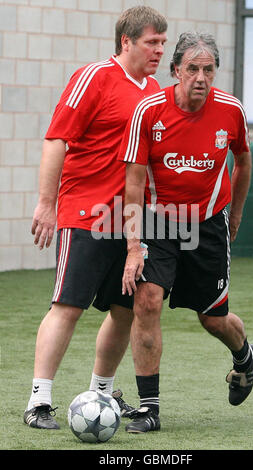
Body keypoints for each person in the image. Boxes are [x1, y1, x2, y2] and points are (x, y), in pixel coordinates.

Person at [23, 6, 168, 430]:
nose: (159, 50)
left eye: (162, 42)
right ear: (126, 41)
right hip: (84, 211)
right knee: (68, 305)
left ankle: (101, 393)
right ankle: (39, 400)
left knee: (124, 308)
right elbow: (56, 139)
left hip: (127, 222)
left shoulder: (154, 90)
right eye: (151, 42)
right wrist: (47, 203)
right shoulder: (94, 78)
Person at [118, 32, 253, 433]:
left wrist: (236, 215)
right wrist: (132, 246)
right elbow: (132, 181)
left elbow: (243, 163)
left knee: (213, 319)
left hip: (209, 224)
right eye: (192, 68)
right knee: (147, 301)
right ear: (175, 70)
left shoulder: (231, 110)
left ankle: (245, 356)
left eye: (208, 69)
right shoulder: (149, 111)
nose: (200, 76)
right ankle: (149, 409)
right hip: (158, 221)